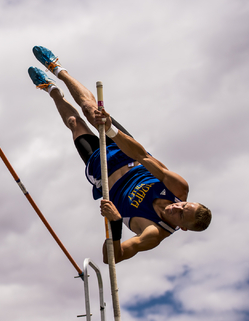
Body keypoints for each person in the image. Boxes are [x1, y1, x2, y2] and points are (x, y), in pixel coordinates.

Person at [27, 46, 211, 263]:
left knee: (75, 123)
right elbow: (143, 157)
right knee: (90, 110)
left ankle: (51, 89)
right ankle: (57, 68)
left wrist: (115, 223)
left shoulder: (153, 232)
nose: (177, 206)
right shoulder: (179, 189)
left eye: (181, 214)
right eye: (183, 205)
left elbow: (113, 257)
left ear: (183, 227)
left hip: (103, 172)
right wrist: (110, 129)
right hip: (128, 153)